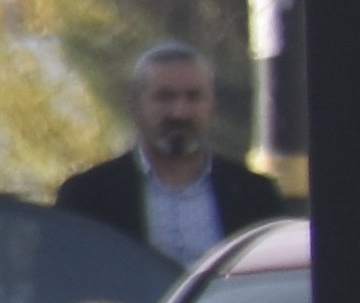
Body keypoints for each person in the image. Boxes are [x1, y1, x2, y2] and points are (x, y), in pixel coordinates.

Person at [54, 44, 292, 269]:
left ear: (212, 106)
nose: (180, 112)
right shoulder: (88, 197)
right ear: (135, 106)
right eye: (164, 97)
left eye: (193, 97)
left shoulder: (256, 195)